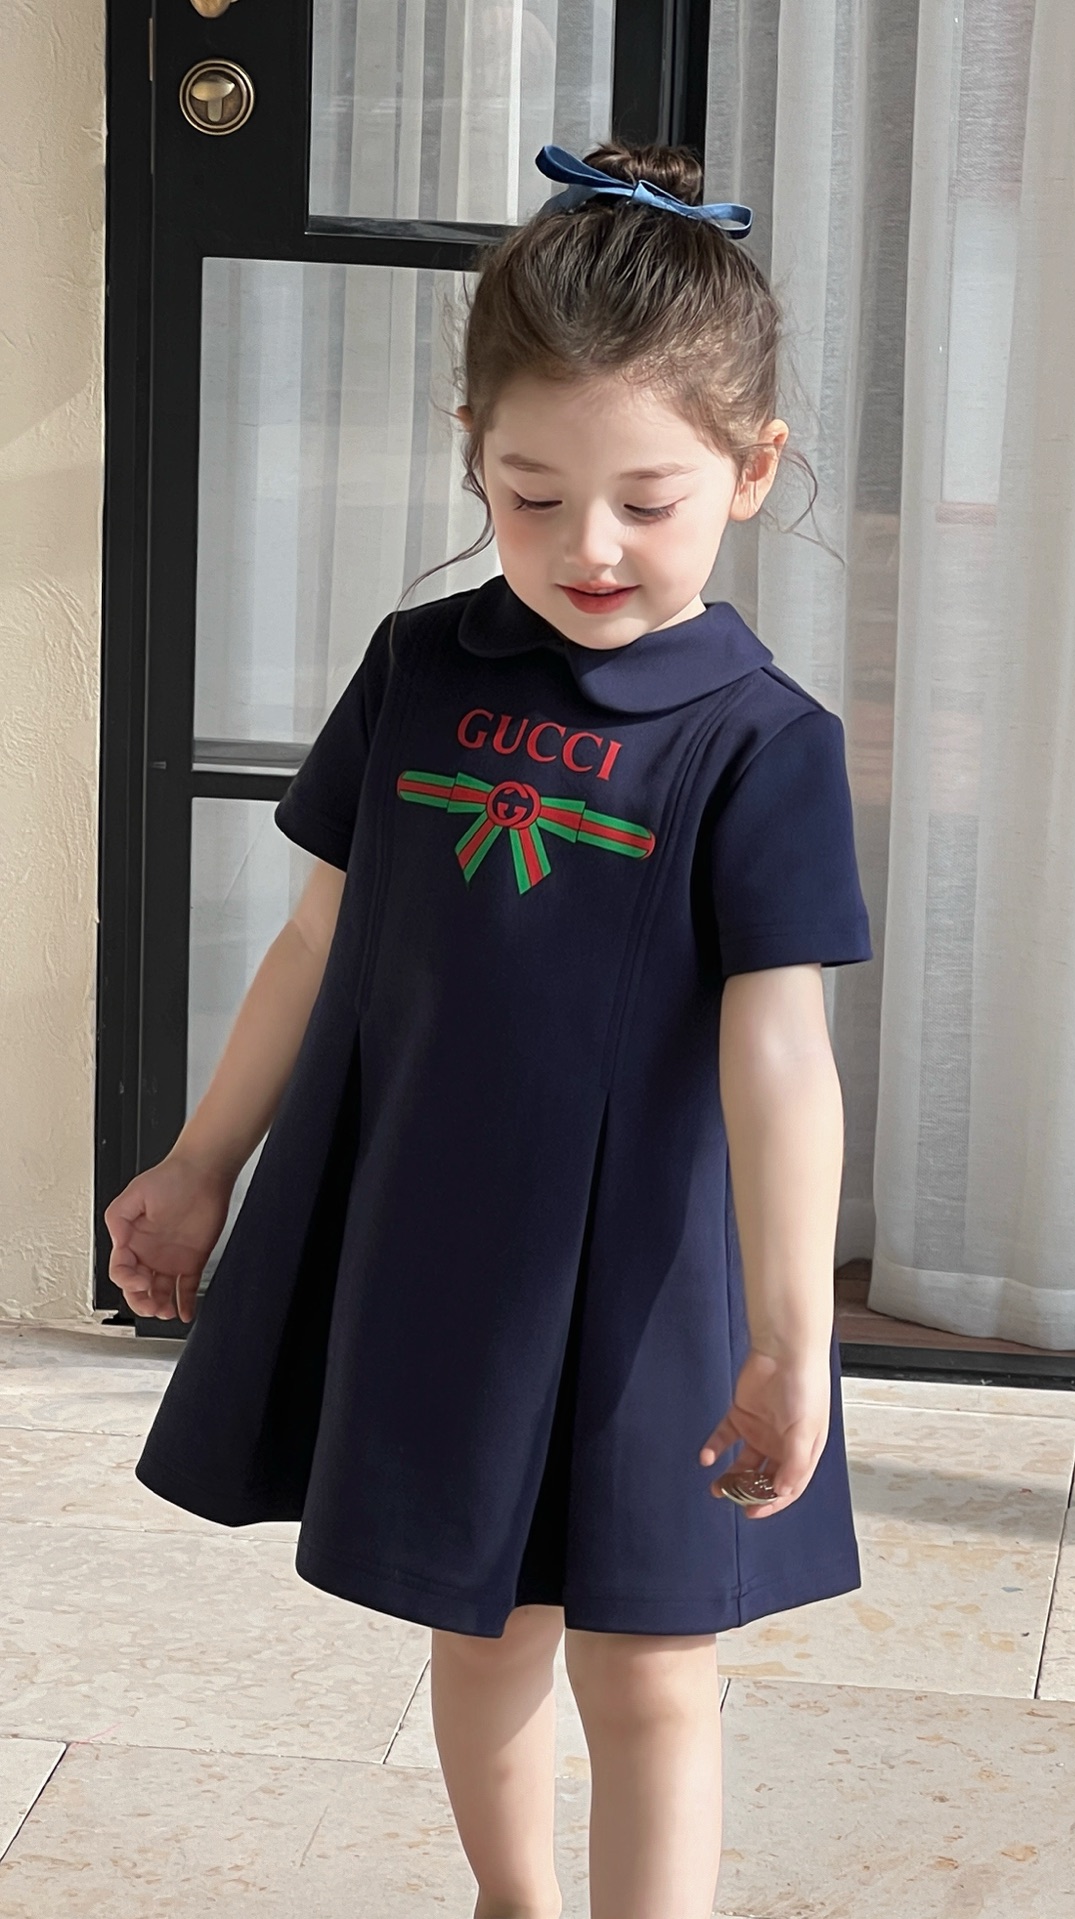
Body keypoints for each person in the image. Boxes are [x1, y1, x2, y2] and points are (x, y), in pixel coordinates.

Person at [105, 140, 872, 1919]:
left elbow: (780, 1057)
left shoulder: (765, 744)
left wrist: (791, 1336)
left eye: (648, 502)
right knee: (487, 1622)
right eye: (531, 495)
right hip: (442, 1243)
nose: (587, 547)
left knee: (653, 1662)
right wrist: (203, 1163)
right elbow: (323, 939)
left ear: (752, 471)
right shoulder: (420, 668)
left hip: (655, 1281)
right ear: (475, 458)